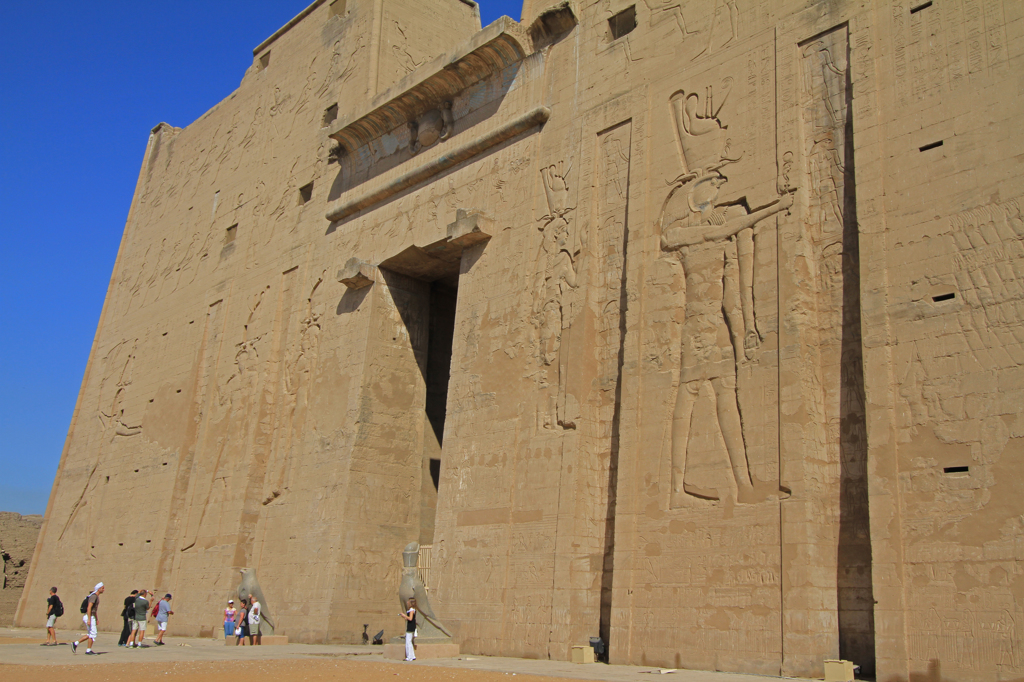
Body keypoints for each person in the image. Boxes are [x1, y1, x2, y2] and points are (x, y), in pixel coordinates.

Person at [73, 582, 104, 655]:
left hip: (91, 616)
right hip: (89, 616)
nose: (104, 590)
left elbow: (94, 610)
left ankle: (75, 643)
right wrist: (89, 619)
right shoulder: (94, 596)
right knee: (93, 634)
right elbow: (89, 608)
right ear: (99, 589)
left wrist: (96, 619)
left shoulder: (96, 596)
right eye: (102, 588)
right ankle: (88, 650)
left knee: (90, 634)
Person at [400, 597, 417, 661]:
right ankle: (412, 656)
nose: (407, 602)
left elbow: (410, 618)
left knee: (408, 642)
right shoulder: (411, 610)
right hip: (410, 626)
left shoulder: (412, 610)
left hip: (411, 627)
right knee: (409, 641)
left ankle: (409, 656)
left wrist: (404, 615)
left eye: (408, 602)